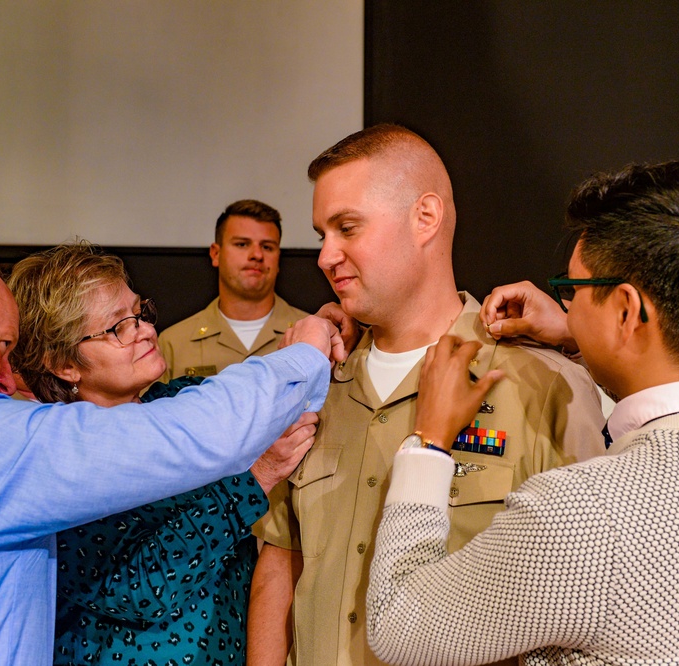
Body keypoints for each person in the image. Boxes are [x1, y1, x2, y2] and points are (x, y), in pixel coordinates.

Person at [365, 156, 679, 664]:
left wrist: (430, 443)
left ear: (628, 310)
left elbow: (398, 625)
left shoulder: (584, 516)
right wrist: (585, 334)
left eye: (572, 291)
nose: (564, 306)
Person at [0, 231, 341, 664]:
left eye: (139, 315)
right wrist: (304, 355)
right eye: (1, 344)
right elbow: (193, 433)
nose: (5, 378)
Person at [249, 124, 606, 666]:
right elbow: (280, 561)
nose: (325, 256)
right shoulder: (315, 381)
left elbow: (586, 599)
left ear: (426, 218)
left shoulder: (540, 383)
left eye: (348, 228)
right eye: (323, 234)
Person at [5, 242, 318, 665]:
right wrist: (256, 478)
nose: (146, 330)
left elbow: (262, 394)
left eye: (140, 312)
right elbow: (141, 587)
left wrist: (326, 329)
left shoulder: (179, 398)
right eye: (119, 328)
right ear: (64, 364)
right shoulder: (56, 459)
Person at [158, 199, 308, 380]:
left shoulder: (310, 334)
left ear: (278, 259)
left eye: (267, 247)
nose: (257, 255)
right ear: (216, 254)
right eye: (242, 244)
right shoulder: (173, 344)